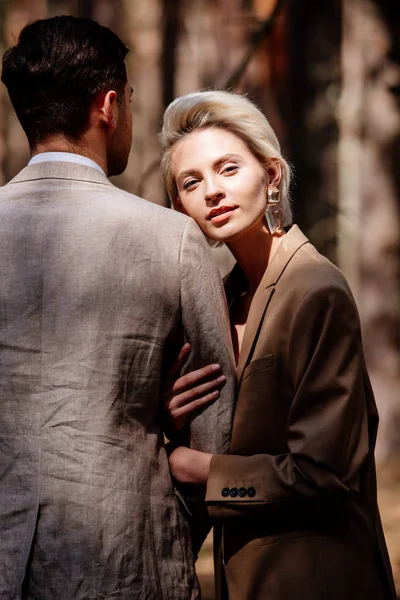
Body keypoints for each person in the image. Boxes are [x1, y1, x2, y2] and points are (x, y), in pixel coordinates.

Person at [0, 18, 236, 600]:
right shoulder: (173, 239)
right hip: (127, 558)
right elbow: (218, 424)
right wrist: (166, 519)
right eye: (129, 99)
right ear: (109, 106)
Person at [159, 90, 397, 600]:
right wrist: (175, 424)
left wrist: (205, 470)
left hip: (321, 578)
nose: (212, 193)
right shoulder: (221, 299)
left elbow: (325, 473)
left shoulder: (315, 289)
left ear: (271, 176)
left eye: (228, 169)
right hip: (243, 576)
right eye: (191, 182)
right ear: (179, 206)